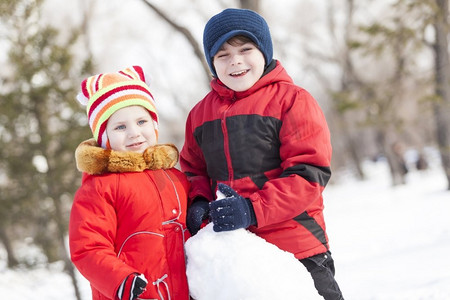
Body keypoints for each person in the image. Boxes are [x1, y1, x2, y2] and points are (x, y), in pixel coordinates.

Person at [180, 8, 344, 300]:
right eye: (223, 55)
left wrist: (253, 209)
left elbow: (309, 174)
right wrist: (199, 201)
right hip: (234, 253)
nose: (236, 61)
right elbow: (194, 169)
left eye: (245, 49)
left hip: (296, 246)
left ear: (264, 51)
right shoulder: (199, 115)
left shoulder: (292, 101)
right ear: (212, 62)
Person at [69, 66, 190, 300]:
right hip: (132, 293)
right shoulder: (100, 188)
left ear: (154, 125)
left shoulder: (176, 178)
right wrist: (121, 281)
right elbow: (87, 248)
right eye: (120, 127)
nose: (134, 133)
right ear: (104, 137)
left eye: (142, 121)